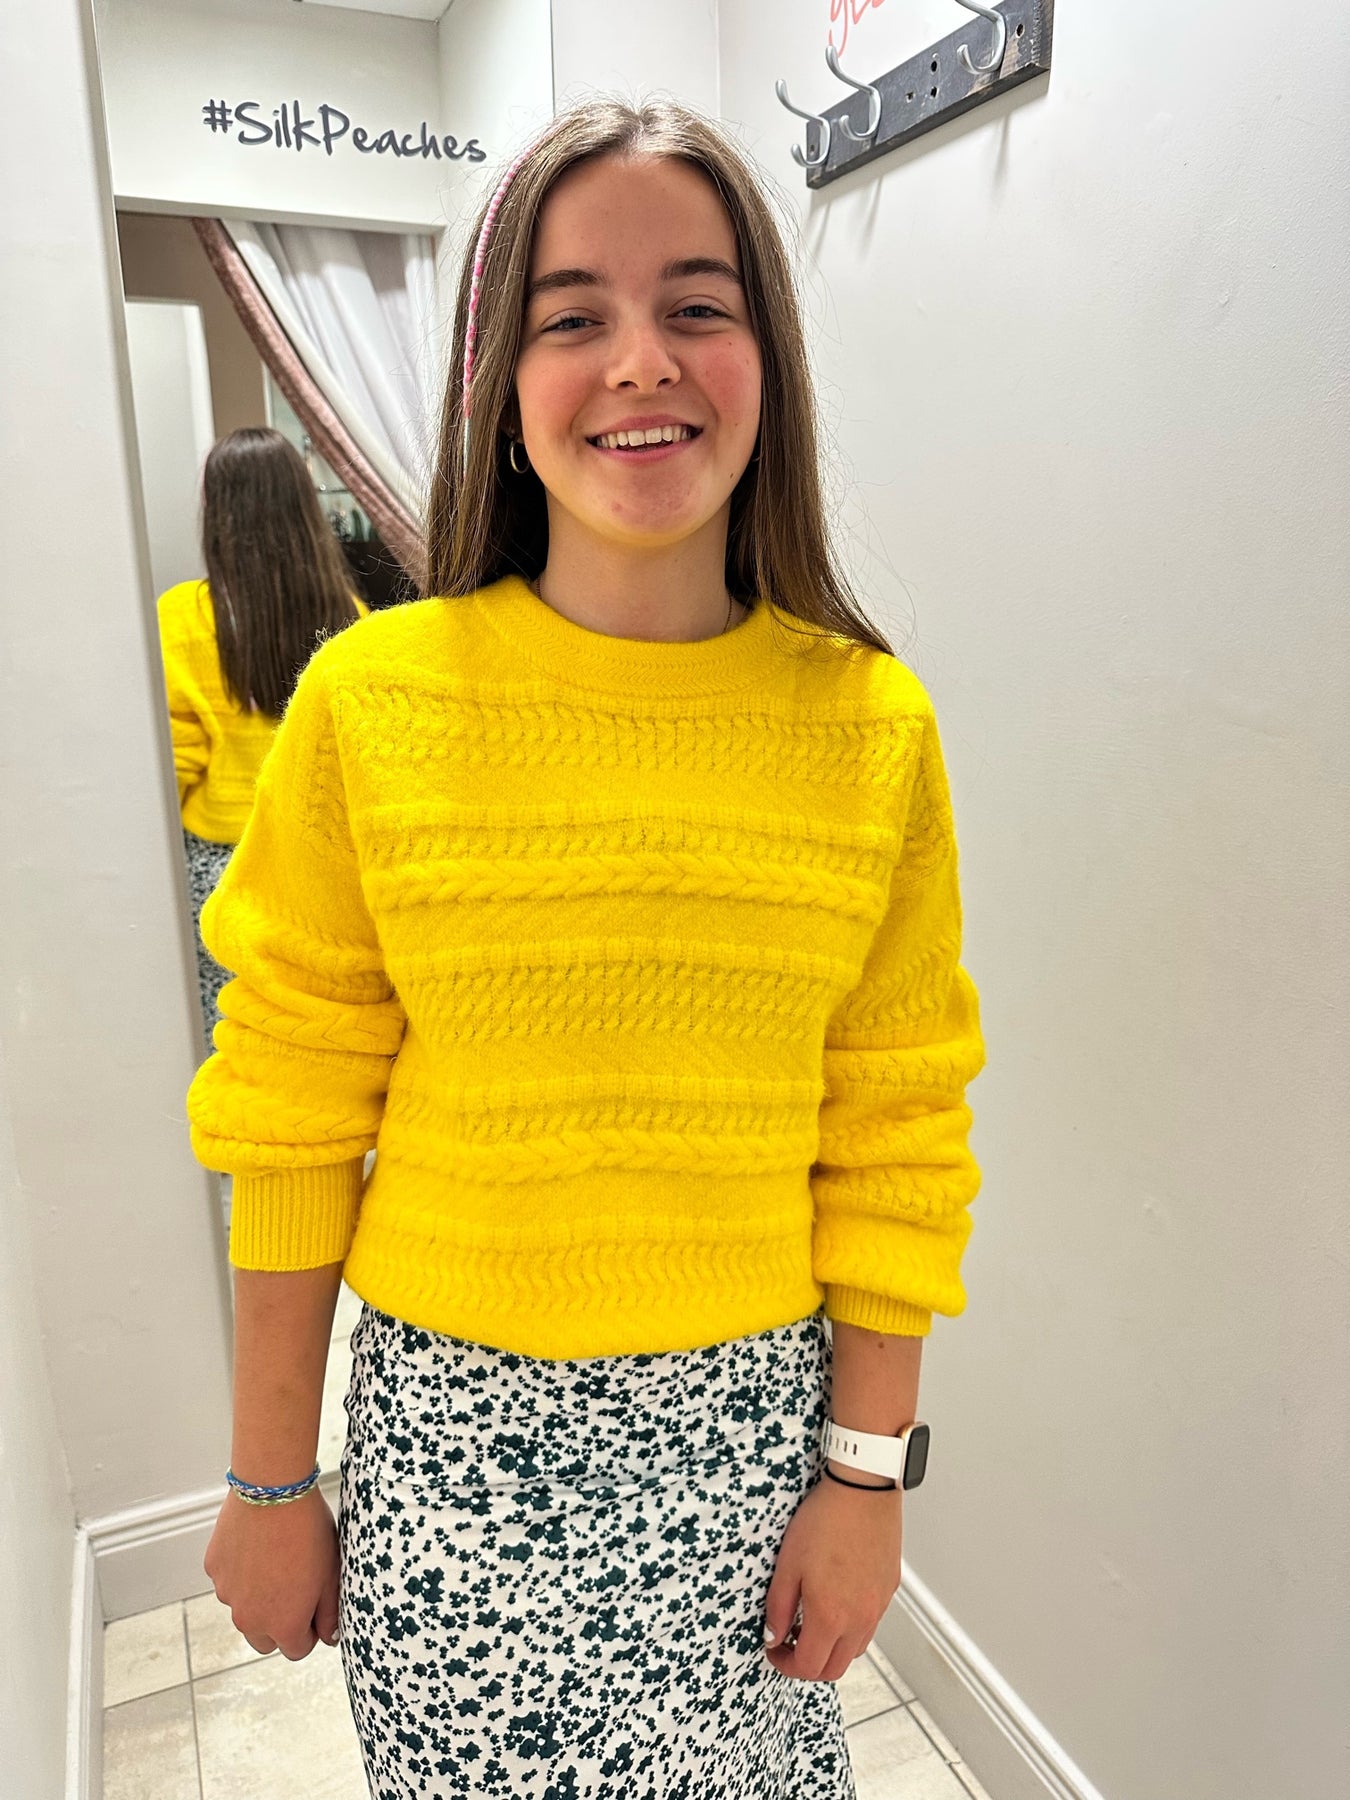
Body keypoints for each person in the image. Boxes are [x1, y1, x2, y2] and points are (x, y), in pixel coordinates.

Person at [190, 98, 985, 1799]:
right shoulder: (372, 703)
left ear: (767, 361)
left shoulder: (870, 729)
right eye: (574, 317)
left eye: (698, 304)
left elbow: (898, 1124)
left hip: (754, 1464)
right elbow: (289, 1109)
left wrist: (866, 1477)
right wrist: (269, 1479)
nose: (642, 361)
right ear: (503, 379)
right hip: (454, 1466)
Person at [157, 426, 364, 1042]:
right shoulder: (347, 616)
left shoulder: (182, 617)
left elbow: (177, 761)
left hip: (219, 867)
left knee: (227, 1034)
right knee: (307, 1030)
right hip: (314, 869)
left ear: (218, 513)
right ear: (302, 507)